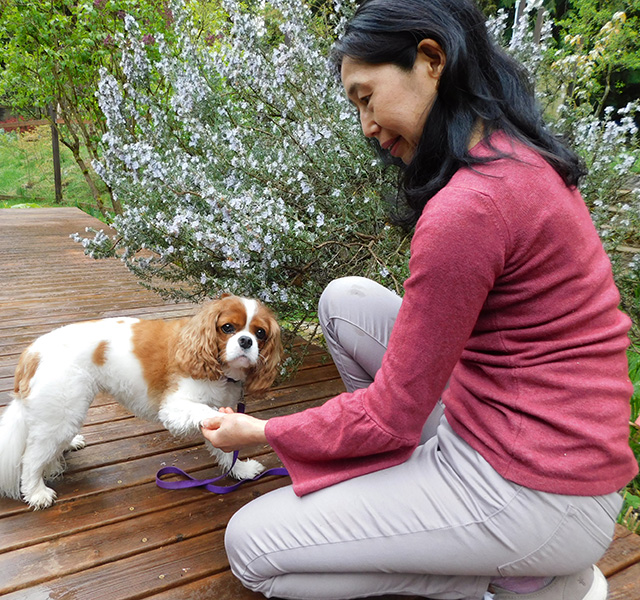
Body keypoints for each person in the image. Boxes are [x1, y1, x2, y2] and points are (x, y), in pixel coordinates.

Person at [200, 0, 638, 599]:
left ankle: (520, 581)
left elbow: (388, 415)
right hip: (534, 436)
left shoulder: (469, 206)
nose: (366, 126)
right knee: (345, 299)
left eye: (365, 96)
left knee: (251, 548)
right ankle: (432, 509)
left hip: (536, 488)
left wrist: (261, 431)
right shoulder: (515, 158)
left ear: (431, 60)